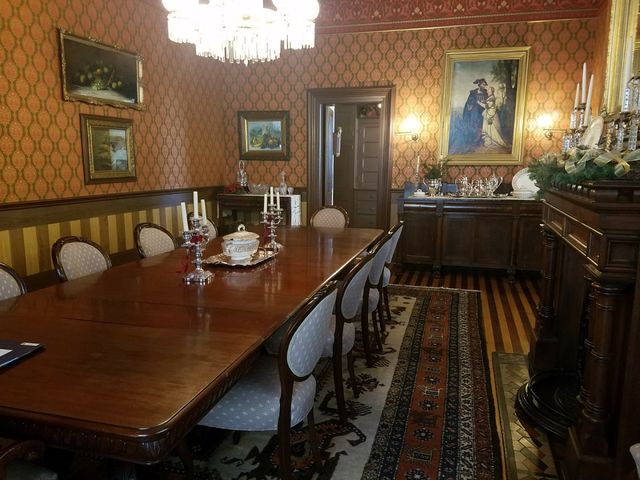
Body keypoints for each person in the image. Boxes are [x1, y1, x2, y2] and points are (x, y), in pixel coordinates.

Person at [462, 78, 488, 148]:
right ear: (479, 84)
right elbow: (469, 102)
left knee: (481, 125)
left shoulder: (486, 93)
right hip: (474, 112)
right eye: (483, 85)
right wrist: (474, 103)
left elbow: (487, 102)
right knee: (474, 125)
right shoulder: (473, 93)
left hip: (482, 112)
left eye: (485, 85)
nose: (484, 86)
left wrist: (484, 102)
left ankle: (478, 140)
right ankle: (472, 140)